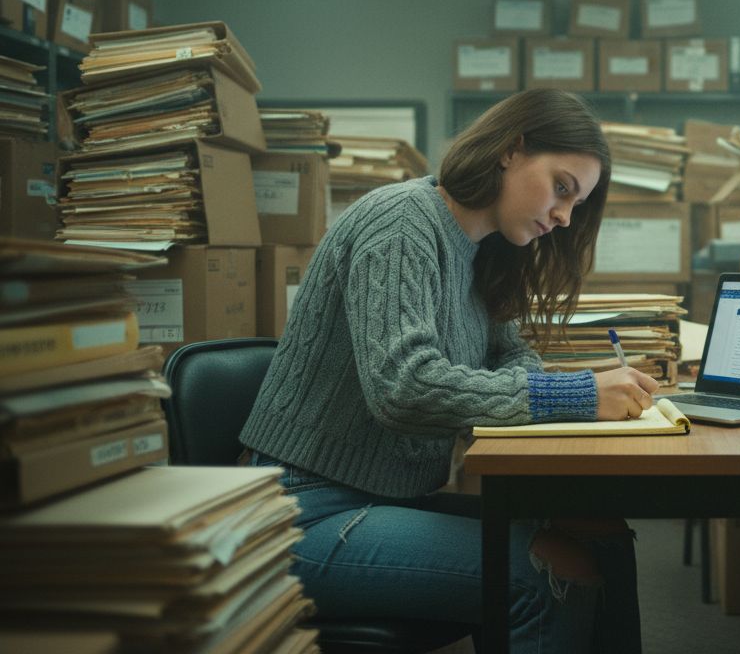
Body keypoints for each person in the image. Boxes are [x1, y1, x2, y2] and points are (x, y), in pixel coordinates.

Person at [239, 88, 660, 653]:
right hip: (301, 512)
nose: (563, 216)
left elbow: (510, 355)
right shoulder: (401, 222)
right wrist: (580, 395)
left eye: (575, 204)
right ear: (511, 151)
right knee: (547, 572)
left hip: (388, 497)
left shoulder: (484, 248)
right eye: (561, 187)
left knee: (601, 535)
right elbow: (403, 387)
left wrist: (567, 391)